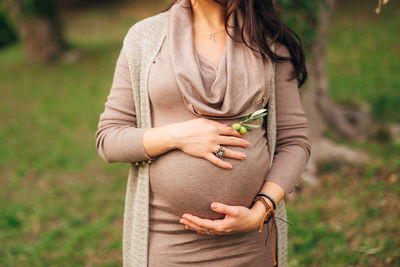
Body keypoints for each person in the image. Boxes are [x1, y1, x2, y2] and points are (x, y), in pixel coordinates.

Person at [95, 0, 311, 266]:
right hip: (167, 242)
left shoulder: (269, 43)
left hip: (251, 244)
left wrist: (262, 210)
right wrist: (178, 136)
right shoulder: (145, 39)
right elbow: (109, 138)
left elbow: (294, 142)